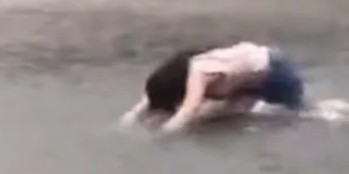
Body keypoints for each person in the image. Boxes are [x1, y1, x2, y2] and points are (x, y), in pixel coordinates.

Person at [120, 42, 306, 134]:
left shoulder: (199, 73)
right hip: (249, 78)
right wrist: (129, 119)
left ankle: (320, 112)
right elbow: (154, 94)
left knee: (296, 115)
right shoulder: (176, 72)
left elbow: (187, 112)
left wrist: (162, 136)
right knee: (221, 118)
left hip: (276, 73)